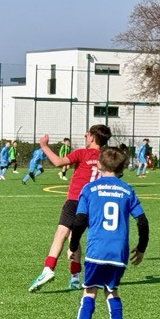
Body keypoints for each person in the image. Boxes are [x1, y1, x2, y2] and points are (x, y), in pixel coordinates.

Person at [70, 146, 149, 319]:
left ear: (98, 164)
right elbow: (142, 222)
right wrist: (141, 248)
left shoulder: (89, 189)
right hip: (119, 253)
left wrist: (72, 247)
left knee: (90, 291)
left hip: (96, 251)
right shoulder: (127, 190)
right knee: (112, 291)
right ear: (122, 167)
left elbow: (79, 222)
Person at [29, 124, 112, 292]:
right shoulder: (105, 157)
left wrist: (44, 146)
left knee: (61, 234)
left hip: (76, 200)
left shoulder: (82, 153)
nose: (84, 135)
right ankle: (75, 277)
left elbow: (59, 162)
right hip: (93, 204)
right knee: (74, 238)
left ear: (92, 137)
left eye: (87, 134)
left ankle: (48, 269)